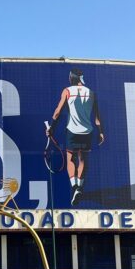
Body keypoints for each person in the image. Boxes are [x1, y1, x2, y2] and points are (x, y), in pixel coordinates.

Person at [46, 68, 105, 205]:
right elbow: (97, 117)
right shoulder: (92, 93)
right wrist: (101, 132)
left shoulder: (67, 91)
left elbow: (57, 112)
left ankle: (75, 187)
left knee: (70, 159)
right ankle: (80, 187)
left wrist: (51, 128)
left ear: (72, 77)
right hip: (87, 132)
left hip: (72, 131)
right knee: (83, 160)